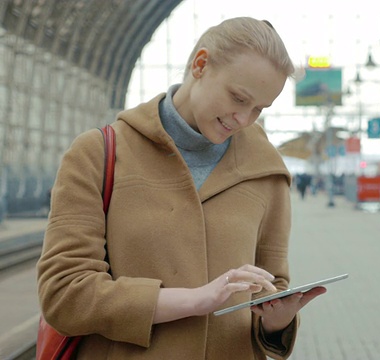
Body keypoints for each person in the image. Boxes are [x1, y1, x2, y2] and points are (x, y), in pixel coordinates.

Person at [37, 17, 326, 360]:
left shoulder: (267, 172)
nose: (243, 119)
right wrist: (196, 300)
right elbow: (65, 294)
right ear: (200, 64)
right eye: (238, 97)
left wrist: (276, 322)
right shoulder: (98, 153)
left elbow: (271, 286)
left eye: (259, 109)